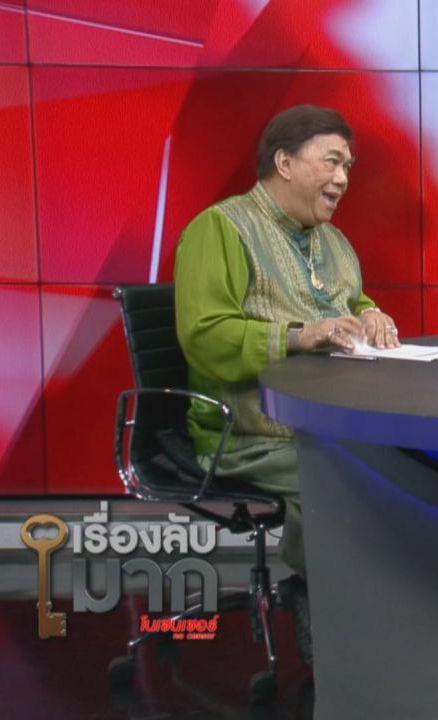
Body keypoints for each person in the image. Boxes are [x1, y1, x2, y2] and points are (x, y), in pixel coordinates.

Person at [174, 104, 399, 664]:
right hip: (247, 432)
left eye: (348, 166)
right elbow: (204, 335)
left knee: (397, 467)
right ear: (284, 163)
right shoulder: (220, 229)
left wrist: (371, 314)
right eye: (332, 162)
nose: (343, 178)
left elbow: (349, 300)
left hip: (328, 422)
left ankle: (390, 621)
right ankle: (318, 604)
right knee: (338, 478)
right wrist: (297, 337)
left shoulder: (333, 241)